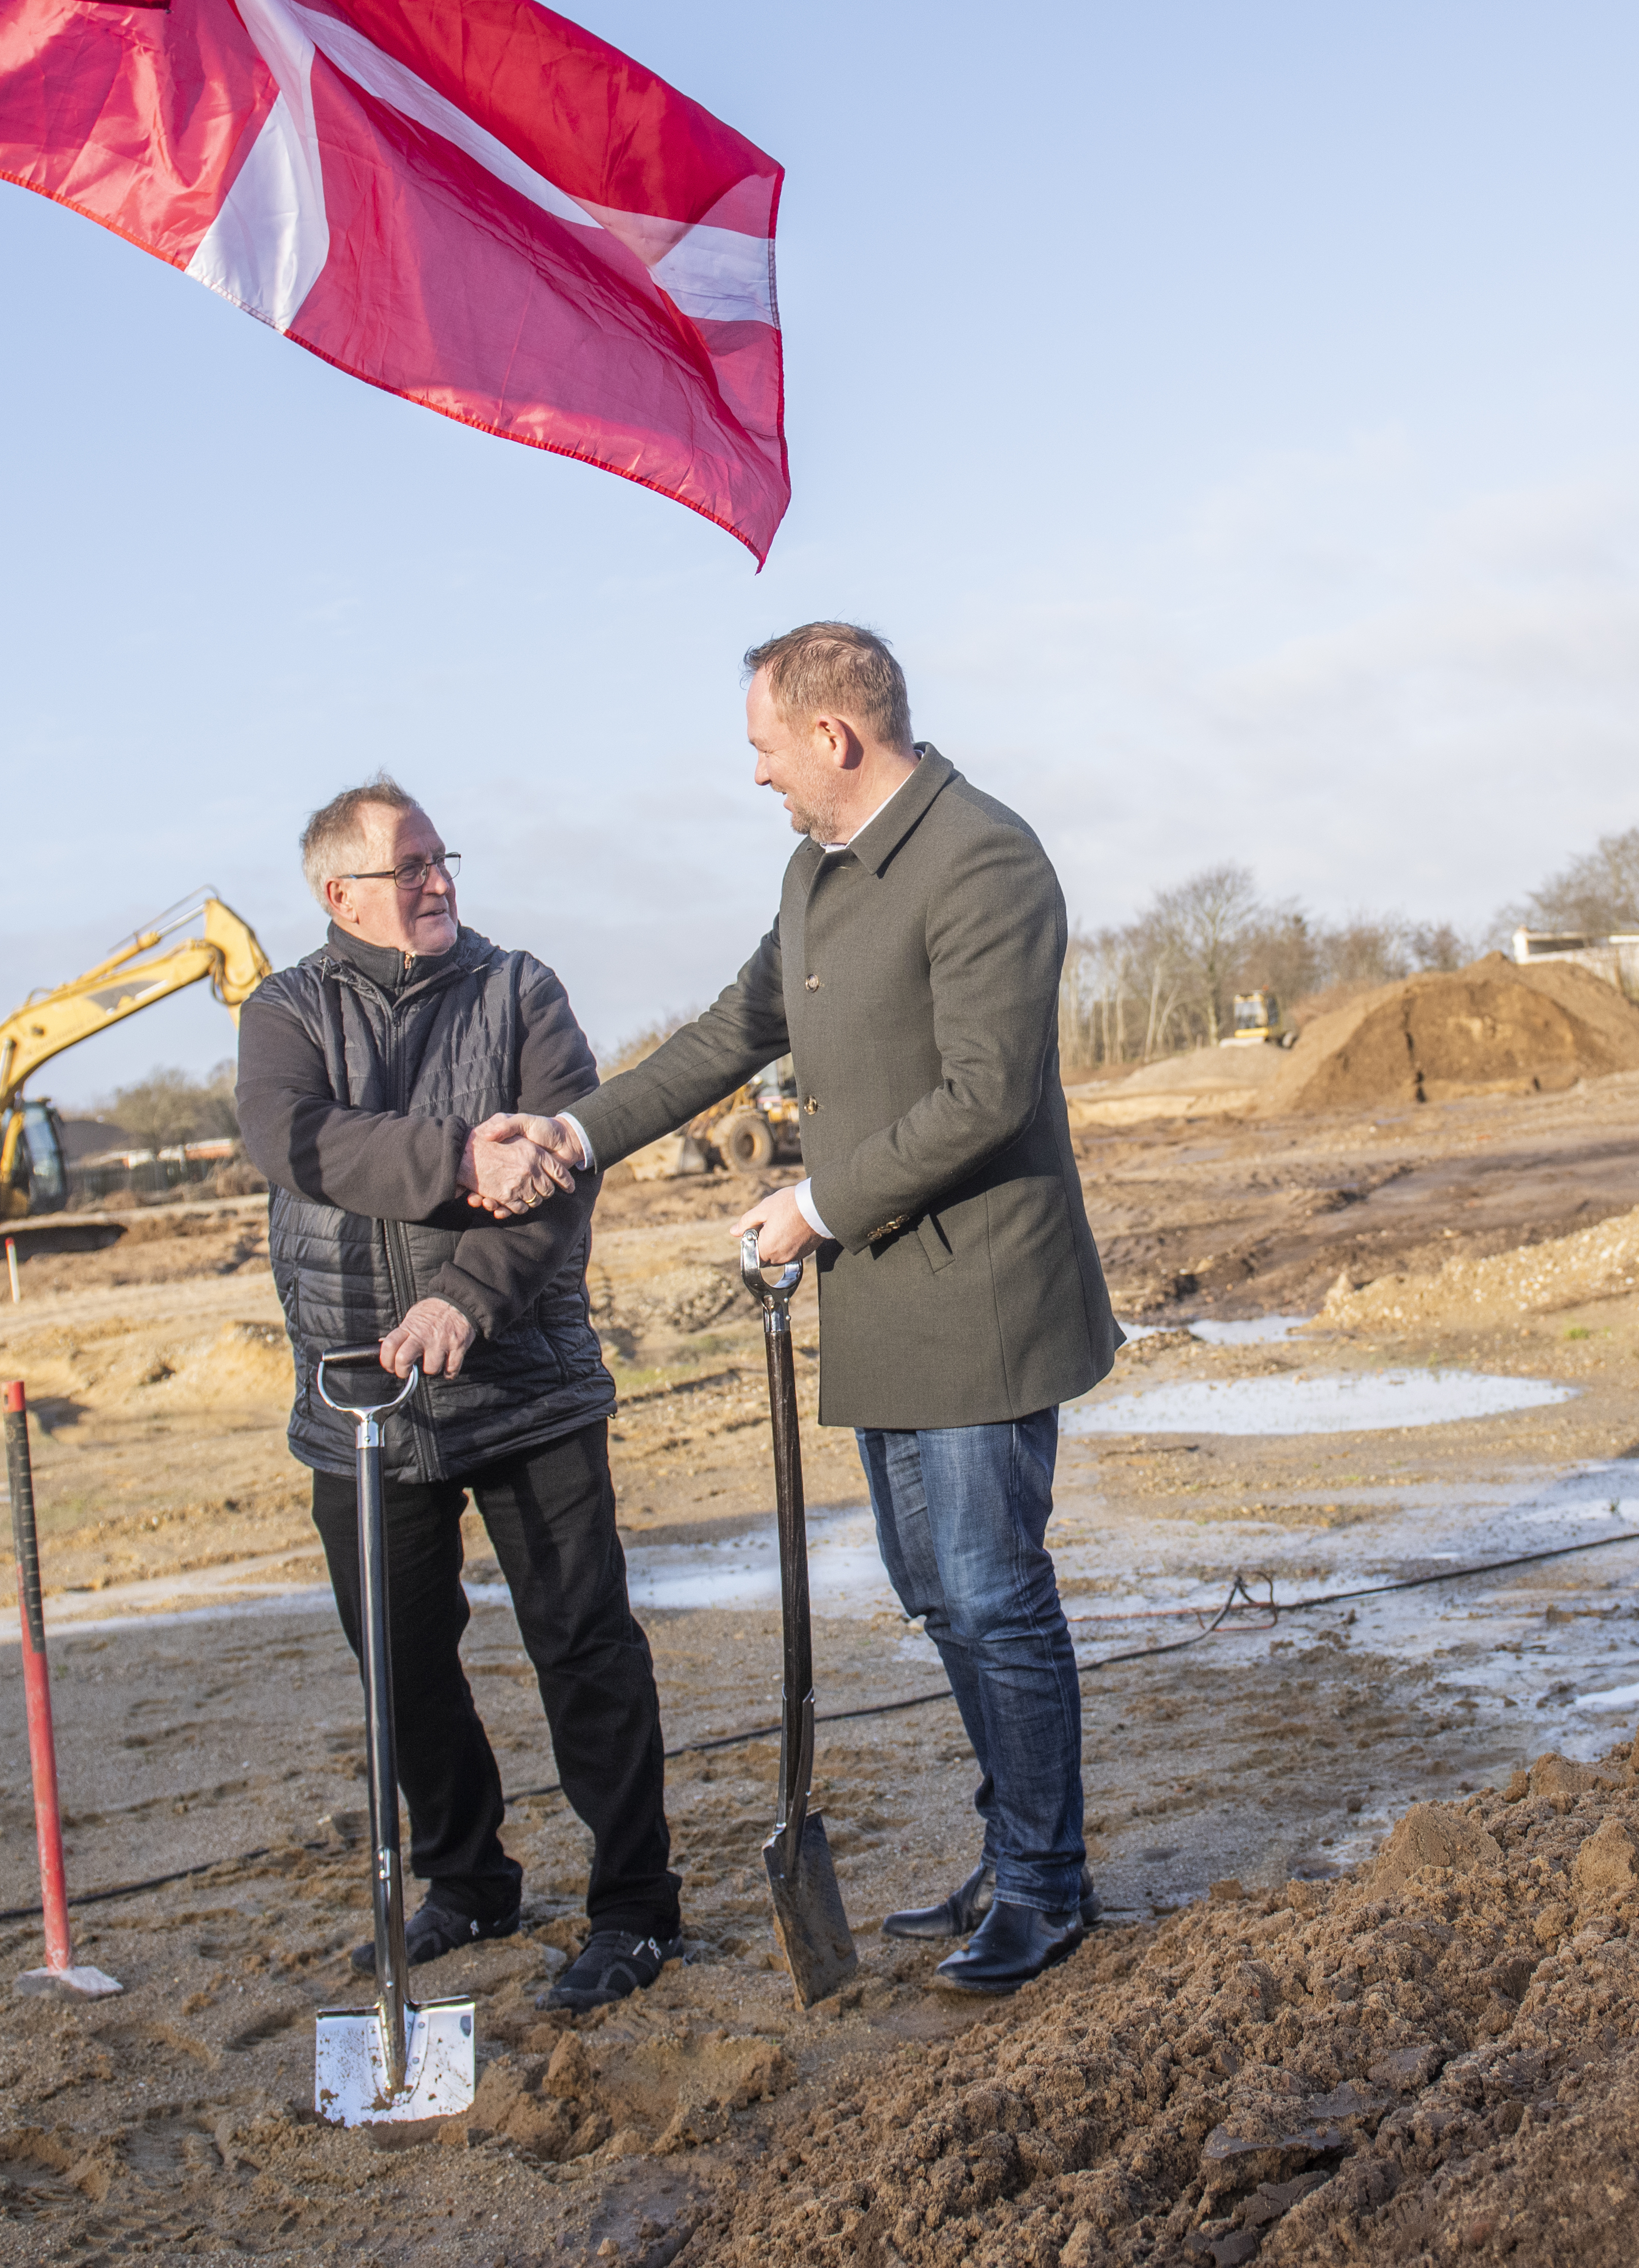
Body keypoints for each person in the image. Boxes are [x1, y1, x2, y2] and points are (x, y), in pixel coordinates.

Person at [485, 623, 1119, 1995]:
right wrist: (577, 1135)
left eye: (766, 747)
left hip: (983, 1288)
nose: (758, 775)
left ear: (835, 736)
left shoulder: (984, 859)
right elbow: (730, 1029)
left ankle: (1049, 1885)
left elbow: (985, 1092)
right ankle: (1016, 1841)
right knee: (934, 1587)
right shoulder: (816, 872)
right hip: (889, 1294)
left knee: (995, 1593)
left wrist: (815, 1206)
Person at [234, 777, 679, 2012]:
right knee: (404, 1662)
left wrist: (465, 1300)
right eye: (411, 865)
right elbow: (299, 1142)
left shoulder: (520, 988)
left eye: (442, 858)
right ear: (341, 894)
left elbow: (558, 1175)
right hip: (359, 1402)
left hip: (523, 1382)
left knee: (584, 1646)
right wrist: (456, 1156)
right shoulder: (281, 1013)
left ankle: (636, 1904)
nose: (439, 881)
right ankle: (469, 1878)